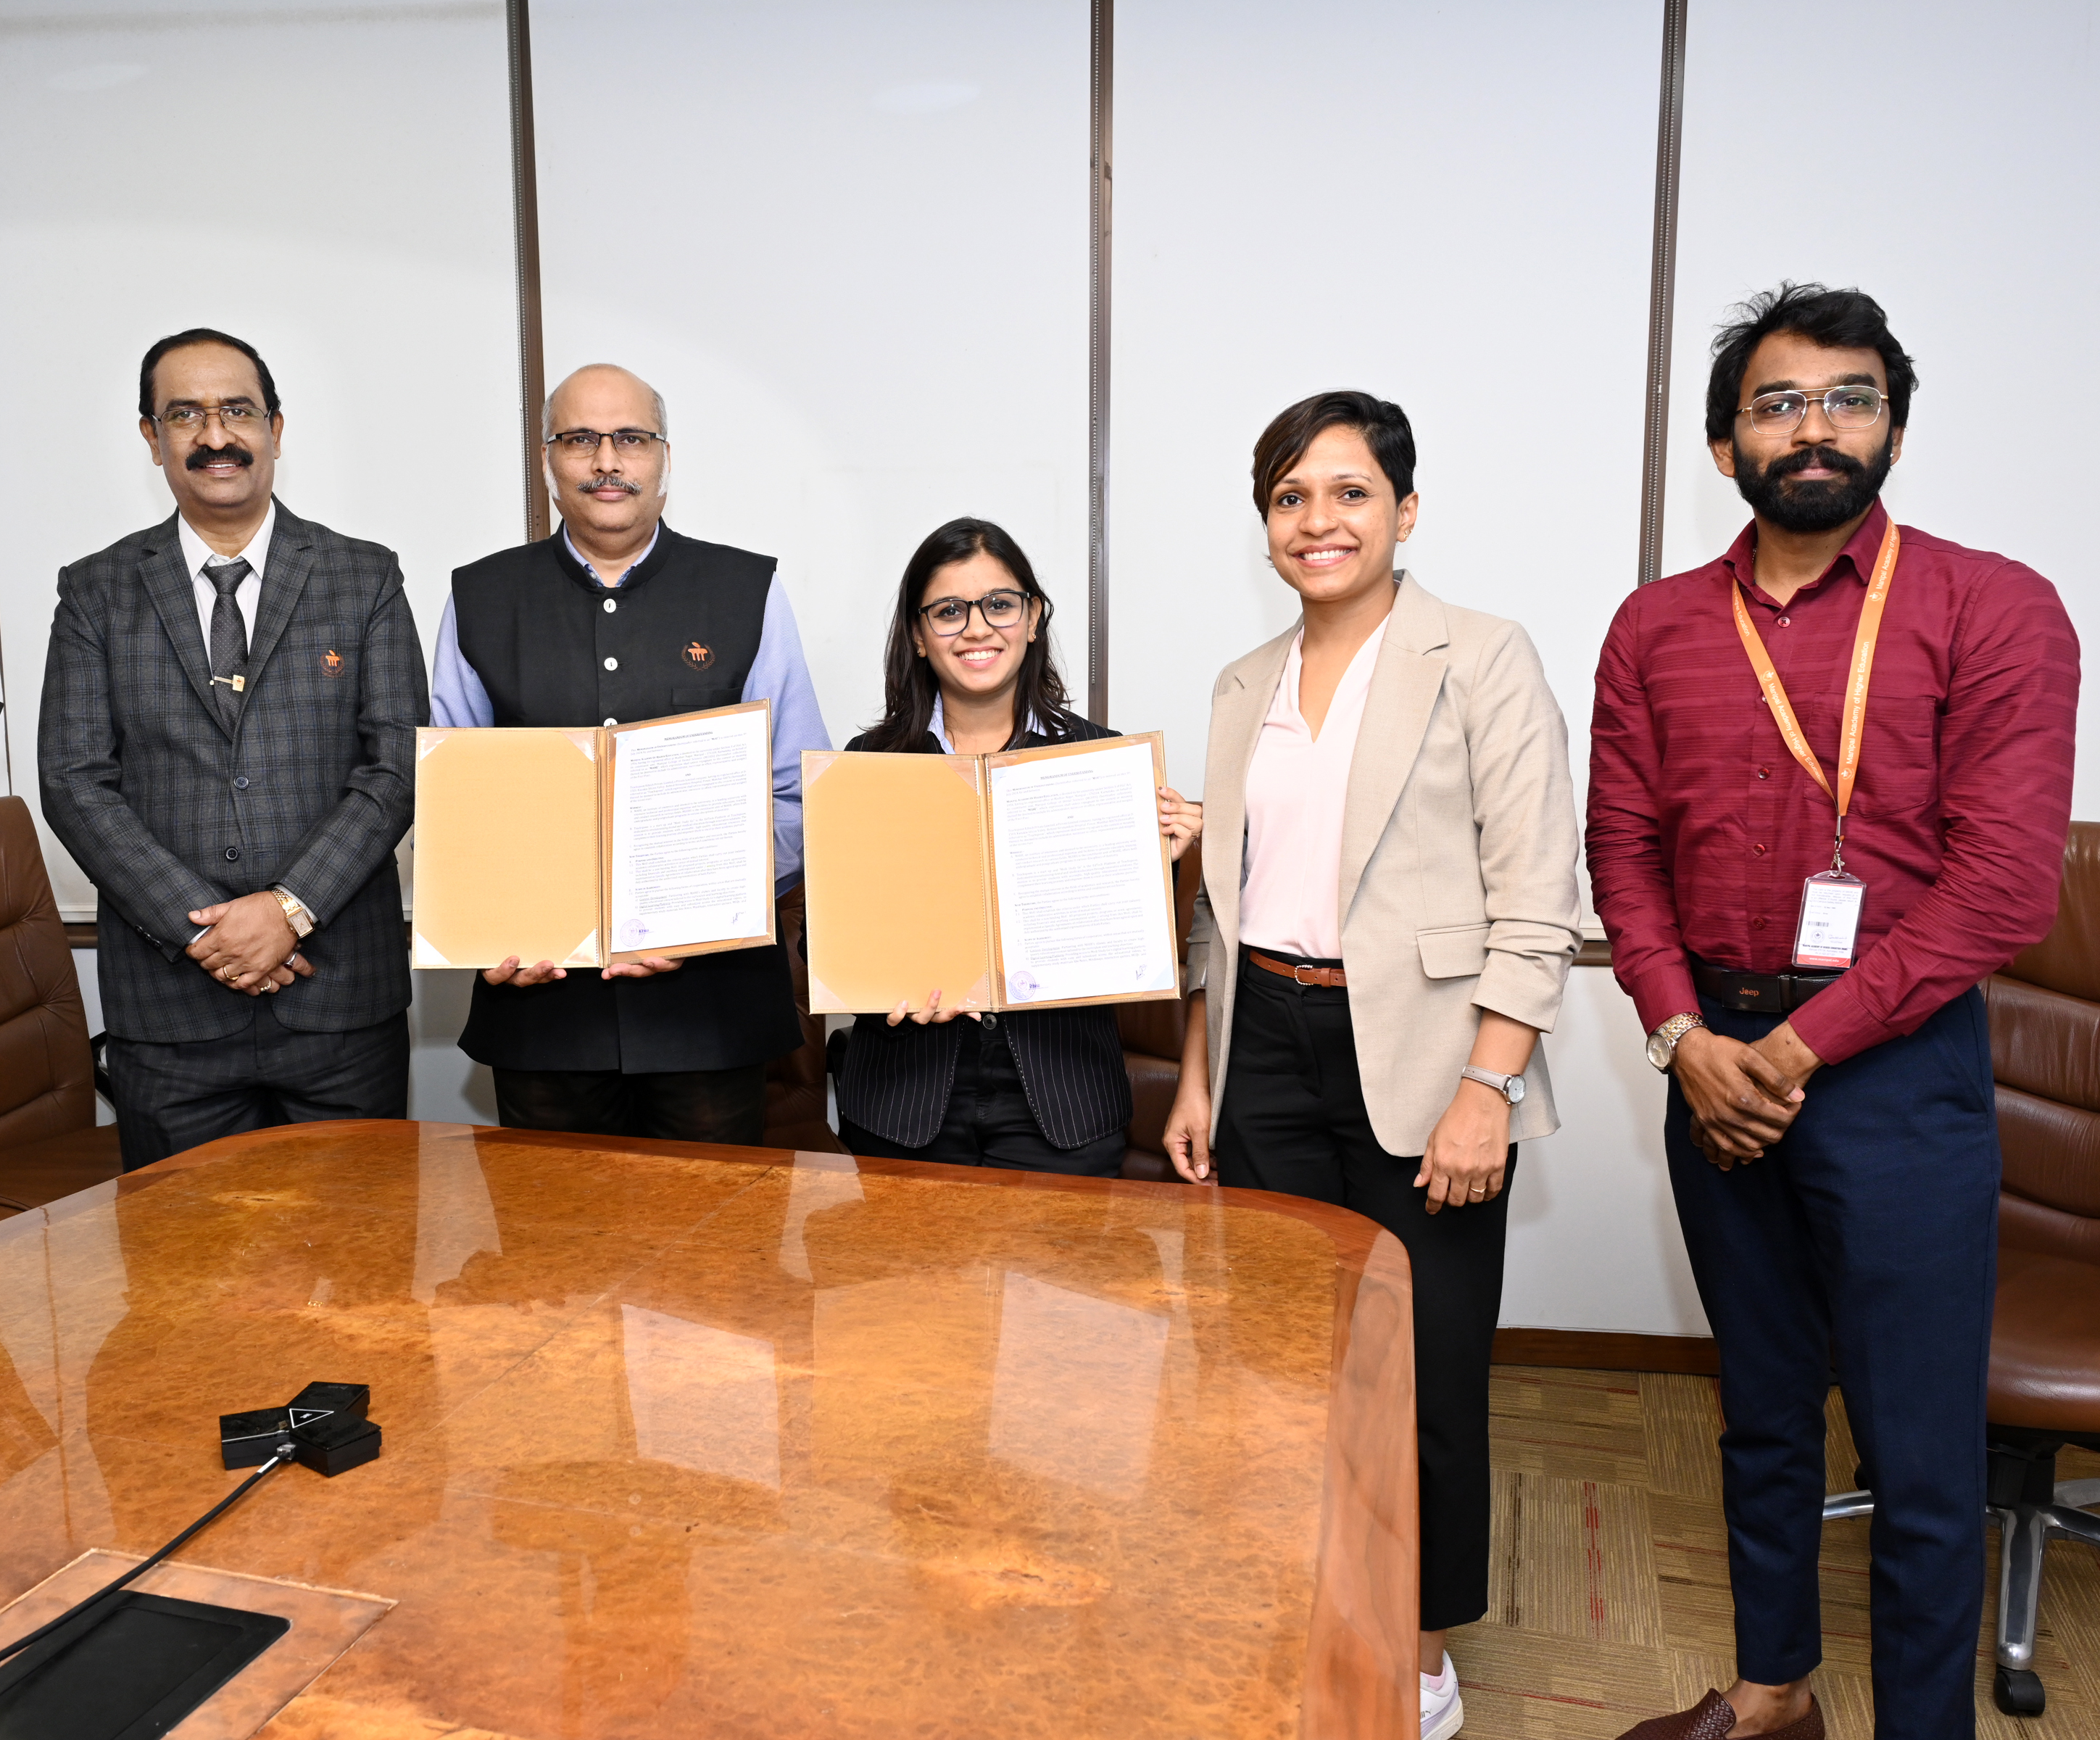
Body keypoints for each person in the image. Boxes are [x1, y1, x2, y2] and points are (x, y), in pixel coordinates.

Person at [1589, 286, 2078, 1740]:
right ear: (1725, 446)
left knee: (1919, 1457)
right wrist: (1685, 1041)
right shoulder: (1656, 626)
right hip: (1712, 1063)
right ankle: (1772, 1693)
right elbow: (1623, 851)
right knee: (1759, 1410)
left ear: (1896, 431)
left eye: (1848, 398)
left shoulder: (1994, 608)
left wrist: (1789, 1053)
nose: (1814, 427)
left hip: (1895, 1077)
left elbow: (2003, 892)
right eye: (1778, 402)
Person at [1162, 391, 1581, 1739]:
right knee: (1286, 1363)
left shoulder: (1482, 655)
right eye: (1290, 497)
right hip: (1265, 1048)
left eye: (1349, 492)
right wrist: (1199, 1073)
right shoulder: (1243, 683)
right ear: (1265, 525)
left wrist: (1489, 1087)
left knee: (1428, 1371)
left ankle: (1420, 1649)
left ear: (1405, 510)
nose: (1318, 521)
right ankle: (1319, 1599)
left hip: (1425, 1055)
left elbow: (1539, 900)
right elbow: (1223, 908)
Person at [39, 328, 427, 1169]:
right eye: (186, 415)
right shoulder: (96, 591)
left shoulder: (364, 577)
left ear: (275, 429)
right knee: (181, 1250)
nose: (216, 436)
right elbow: (74, 781)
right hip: (171, 1007)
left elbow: (398, 766)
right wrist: (207, 931)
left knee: (361, 1245)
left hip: (339, 1002)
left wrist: (288, 909)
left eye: (238, 412)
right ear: (152, 438)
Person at [433, 363, 832, 1144]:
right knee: (553, 1220)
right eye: (580, 439)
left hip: (710, 1011)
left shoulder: (746, 588)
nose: (607, 461)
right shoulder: (480, 597)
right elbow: (454, 803)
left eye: (631, 438)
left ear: (664, 457)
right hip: (543, 1008)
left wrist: (702, 916)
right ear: (547, 460)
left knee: (711, 1221)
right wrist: (488, 927)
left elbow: (795, 793)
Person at [833, 516, 1200, 1174]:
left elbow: (1130, 948)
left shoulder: (1101, 761)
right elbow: (830, 943)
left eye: (999, 605)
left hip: (1065, 1101)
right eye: (949, 611)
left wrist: (1156, 868)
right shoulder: (866, 764)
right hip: (903, 1102)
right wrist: (880, 982)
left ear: (1032, 619)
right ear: (917, 635)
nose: (977, 628)